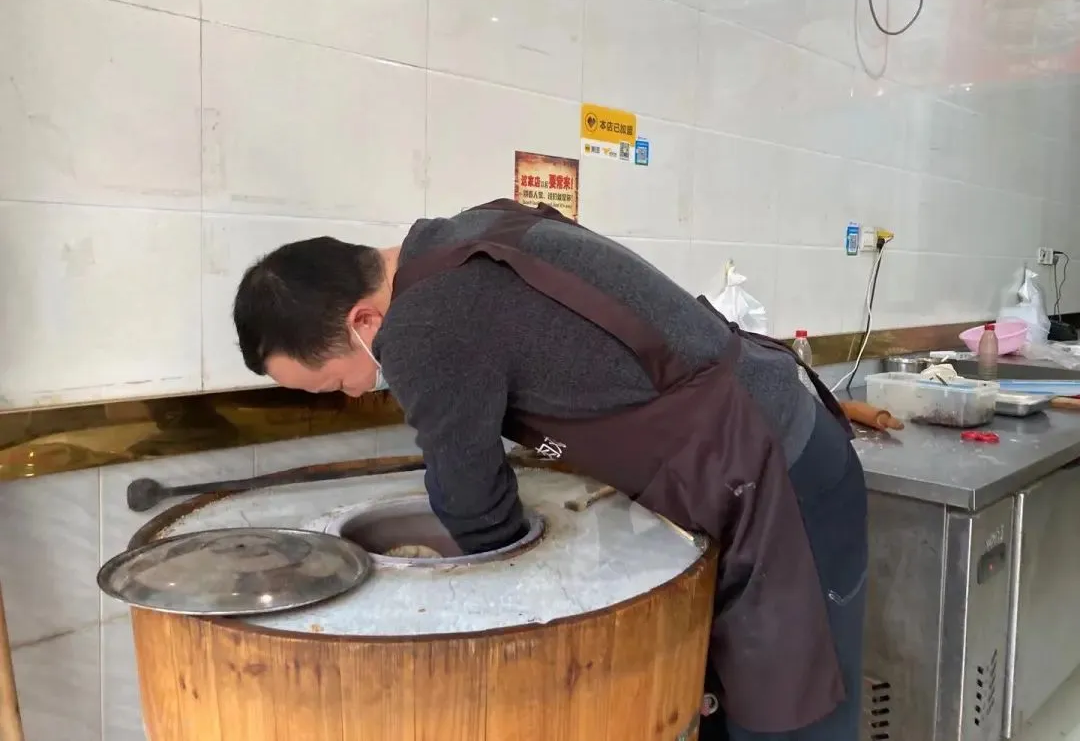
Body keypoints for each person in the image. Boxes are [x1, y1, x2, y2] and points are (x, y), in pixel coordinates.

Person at [232, 199, 868, 741]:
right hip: (751, 447)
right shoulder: (464, 237)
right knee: (735, 693)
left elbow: (474, 507)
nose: (350, 393)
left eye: (331, 382)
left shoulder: (423, 323)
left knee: (792, 702)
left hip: (781, 471)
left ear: (363, 320)